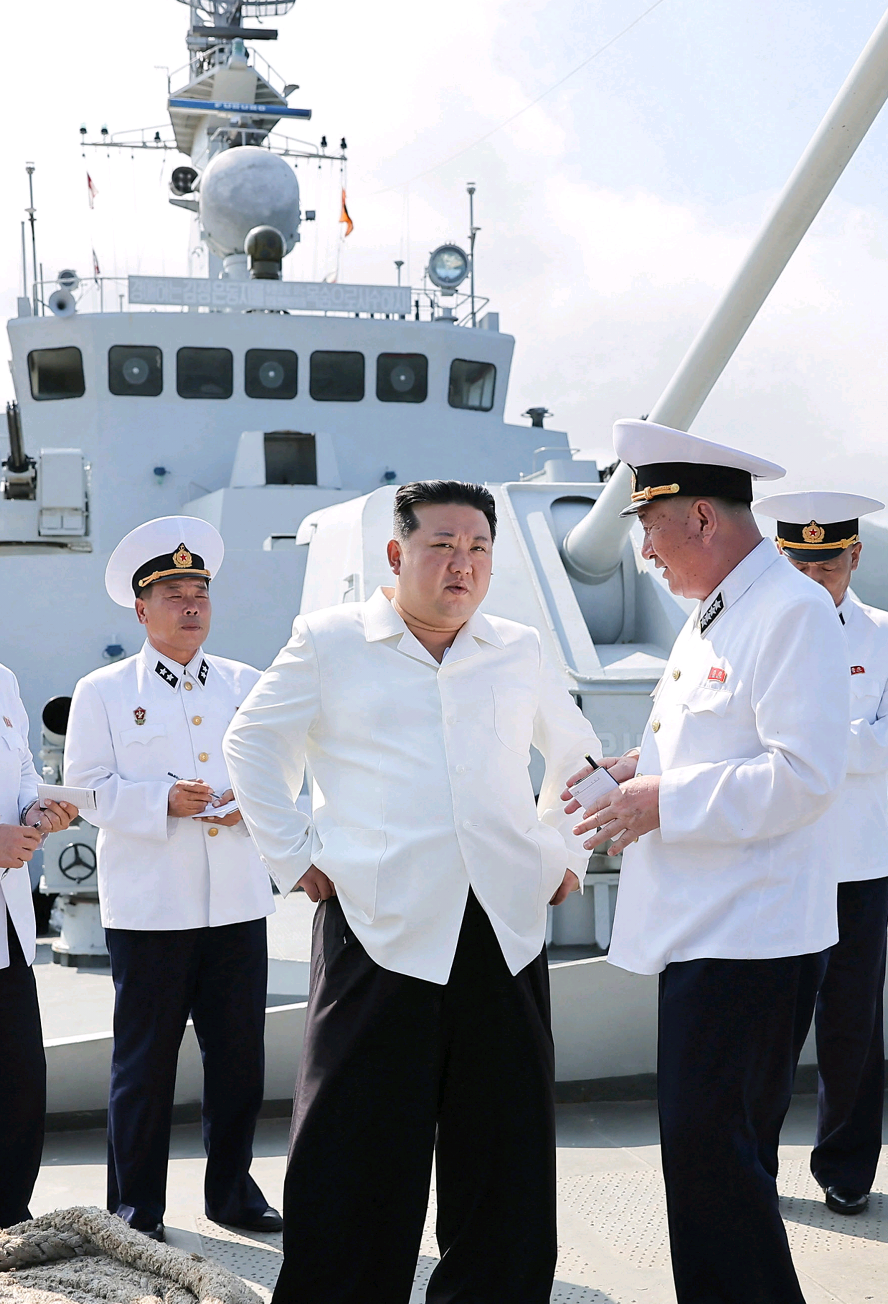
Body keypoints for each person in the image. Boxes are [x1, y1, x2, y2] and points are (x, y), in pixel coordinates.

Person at [224, 479, 603, 1304]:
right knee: (353, 1154)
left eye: (477, 548)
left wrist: (564, 852)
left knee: (504, 1156)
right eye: (441, 545)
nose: (461, 563)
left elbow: (576, 755)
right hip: (378, 926)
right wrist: (292, 855)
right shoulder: (331, 640)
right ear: (396, 555)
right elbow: (250, 740)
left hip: (501, 927)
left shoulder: (516, 646)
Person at [564, 420, 850, 1304]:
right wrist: (630, 771)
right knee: (720, 1160)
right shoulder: (716, 615)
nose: (641, 552)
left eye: (645, 526)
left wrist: (662, 801)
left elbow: (804, 776)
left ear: (696, 517)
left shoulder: (790, 610)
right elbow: (708, 745)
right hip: (706, 930)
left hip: (749, 939)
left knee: (710, 1158)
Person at [63, 516, 280, 1242]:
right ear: (141, 607)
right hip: (151, 909)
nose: (191, 603)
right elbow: (84, 790)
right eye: (173, 592)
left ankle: (233, 1192)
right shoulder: (101, 690)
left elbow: (282, 778)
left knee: (239, 1062)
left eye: (199, 591)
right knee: (143, 1066)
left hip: (239, 904)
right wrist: (161, 798)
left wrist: (247, 807)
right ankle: (135, 1207)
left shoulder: (247, 684)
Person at [754, 490, 888, 1215]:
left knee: (851, 1024)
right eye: (798, 561)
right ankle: (750, 1162)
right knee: (765, 1021)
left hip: (854, 867)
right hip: (773, 860)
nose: (812, 574)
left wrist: (816, 745)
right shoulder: (755, 629)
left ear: (853, 555)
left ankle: (846, 1168)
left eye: (826, 562)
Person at [0, 668, 77, 1227]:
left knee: (20, 1083)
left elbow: (21, 766)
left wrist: (35, 810)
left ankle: (9, 1222)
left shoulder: (3, 680)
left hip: (9, 924)